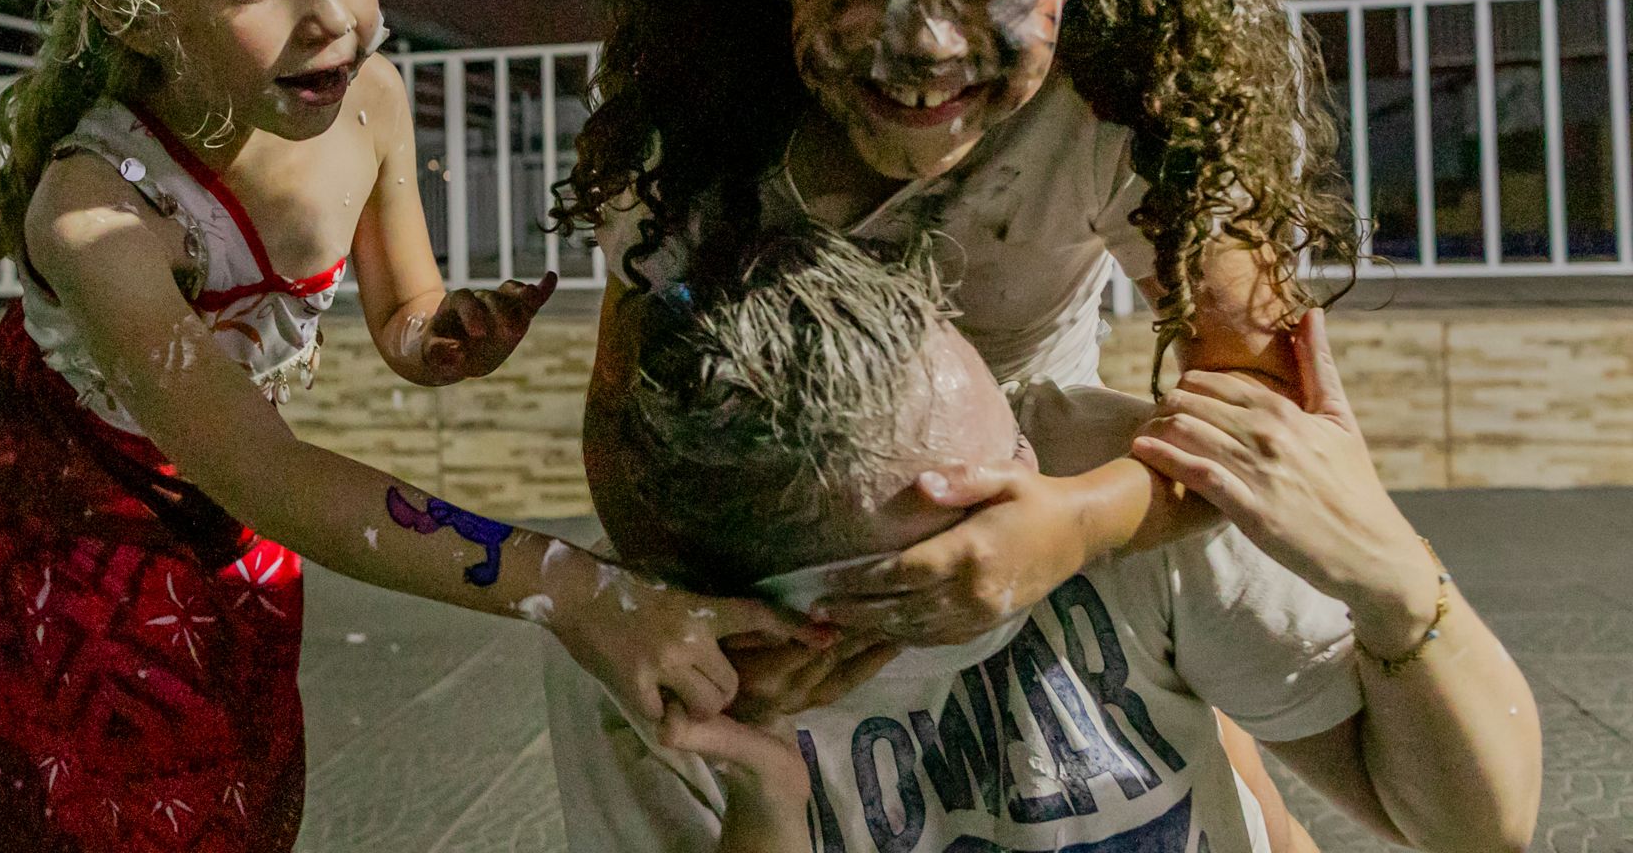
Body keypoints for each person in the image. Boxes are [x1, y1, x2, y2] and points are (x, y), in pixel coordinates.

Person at [551, 0, 1366, 834]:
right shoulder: (704, 119)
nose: (922, 39)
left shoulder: (1120, 99)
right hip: (812, 507)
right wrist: (740, 620)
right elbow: (628, 423)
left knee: (1156, 703)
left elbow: (1259, 405)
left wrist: (1079, 521)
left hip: (1025, 455)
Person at [0, 0, 798, 853]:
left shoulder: (372, 101)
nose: (333, 16)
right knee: (132, 808)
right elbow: (267, 468)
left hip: (235, 499)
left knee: (247, 793)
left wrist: (442, 334)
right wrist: (578, 590)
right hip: (91, 528)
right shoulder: (98, 208)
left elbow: (402, 314)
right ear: (129, 6)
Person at [544, 229, 1541, 852]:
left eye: (1014, 446)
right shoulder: (649, 642)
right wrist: (769, 802)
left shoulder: (1100, 464)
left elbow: (1475, 827)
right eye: (970, 522)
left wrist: (1392, 575)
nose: (1035, 515)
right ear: (800, 600)